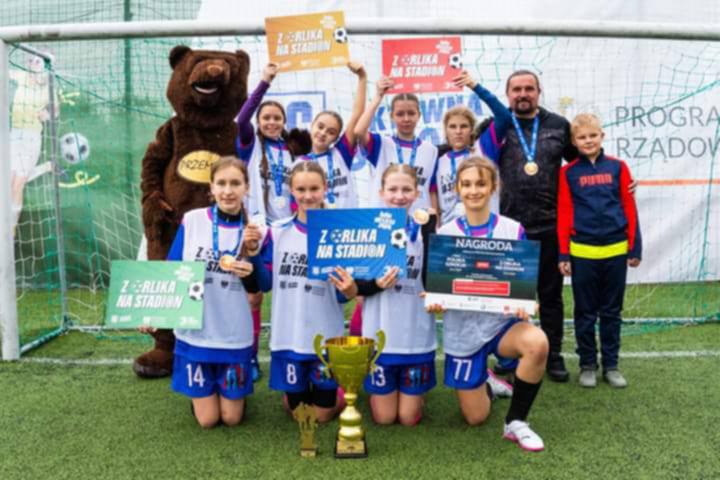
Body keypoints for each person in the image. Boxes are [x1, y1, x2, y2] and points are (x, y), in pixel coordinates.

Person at [427, 156, 548, 452]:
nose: (473, 191)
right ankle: (488, 384)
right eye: (466, 184)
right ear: (457, 188)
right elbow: (438, 289)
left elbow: (523, 287)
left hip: (501, 325)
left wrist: (526, 304)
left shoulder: (512, 230)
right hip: (463, 331)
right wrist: (436, 301)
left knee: (538, 343)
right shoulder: (445, 235)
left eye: (481, 183)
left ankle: (516, 422)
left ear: (493, 186)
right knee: (475, 417)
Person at [163, 156, 262, 428]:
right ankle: (201, 396)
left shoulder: (255, 228)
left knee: (231, 419)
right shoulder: (193, 220)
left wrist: (251, 263)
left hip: (234, 331)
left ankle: (228, 392)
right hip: (197, 329)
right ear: (211, 187)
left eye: (235, 183)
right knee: (208, 421)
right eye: (221, 183)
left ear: (247, 187)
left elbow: (262, 286)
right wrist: (154, 314)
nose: (228, 190)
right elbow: (173, 268)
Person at [245, 161, 347, 422]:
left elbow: (343, 296)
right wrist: (254, 253)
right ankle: (294, 394)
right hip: (288, 336)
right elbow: (265, 284)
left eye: (314, 188)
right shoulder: (277, 232)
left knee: (321, 417)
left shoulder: (341, 233)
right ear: (291, 190)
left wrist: (348, 287)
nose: (308, 196)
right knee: (300, 414)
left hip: (326, 335)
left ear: (325, 188)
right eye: (301, 189)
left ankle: (340, 394)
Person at [496, 70, 577, 382]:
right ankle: (507, 355)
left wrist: (618, 178)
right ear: (508, 94)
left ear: (539, 91)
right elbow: (464, 151)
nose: (523, 94)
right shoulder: (497, 125)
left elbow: (579, 163)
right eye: (516, 89)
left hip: (550, 227)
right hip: (509, 229)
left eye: (529, 88)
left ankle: (553, 354)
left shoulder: (558, 125)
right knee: (511, 296)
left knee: (551, 295)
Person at [235, 62, 310, 380]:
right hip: (258, 229)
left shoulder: (292, 151)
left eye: (277, 118)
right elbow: (241, 118)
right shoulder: (251, 145)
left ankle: (298, 349)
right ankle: (250, 357)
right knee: (253, 295)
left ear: (284, 122)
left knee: (294, 290)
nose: (271, 122)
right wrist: (265, 81)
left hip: (289, 230)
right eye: (266, 117)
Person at [557, 113, 642, 388]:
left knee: (611, 312)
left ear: (602, 136)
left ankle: (612, 365)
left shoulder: (619, 167)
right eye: (582, 137)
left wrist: (634, 245)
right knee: (584, 312)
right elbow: (565, 213)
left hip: (616, 250)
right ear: (574, 142)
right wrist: (563, 254)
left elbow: (629, 208)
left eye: (593, 135)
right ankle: (587, 365)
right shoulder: (568, 173)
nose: (588, 141)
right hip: (582, 252)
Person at [349, 77, 440, 336]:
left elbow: (430, 188)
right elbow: (358, 132)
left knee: (411, 286)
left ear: (419, 115)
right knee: (371, 291)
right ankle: (360, 342)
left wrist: (435, 220)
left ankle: (407, 340)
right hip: (383, 225)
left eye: (411, 113)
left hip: (415, 228)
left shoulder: (431, 149)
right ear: (392, 116)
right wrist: (377, 96)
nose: (406, 118)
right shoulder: (382, 144)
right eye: (400, 114)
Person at [436, 70, 512, 225]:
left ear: (472, 130)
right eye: (452, 126)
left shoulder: (483, 148)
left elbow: (504, 117)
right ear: (445, 130)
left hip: (486, 229)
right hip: (452, 231)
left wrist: (475, 86)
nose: (458, 131)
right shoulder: (438, 161)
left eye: (463, 126)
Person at [299, 61, 367, 209]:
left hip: (347, 222)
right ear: (312, 126)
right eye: (320, 127)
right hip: (317, 222)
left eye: (331, 132)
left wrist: (362, 77)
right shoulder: (299, 162)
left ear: (336, 138)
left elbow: (358, 114)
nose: (323, 133)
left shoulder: (341, 153)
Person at [10, 54, 58, 229]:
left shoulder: (49, 87)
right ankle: (46, 167)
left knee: (17, 184)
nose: (32, 63)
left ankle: (10, 228)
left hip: (31, 138)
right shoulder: (21, 76)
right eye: (30, 60)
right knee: (8, 182)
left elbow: (55, 111)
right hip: (13, 135)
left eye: (38, 61)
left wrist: (47, 114)